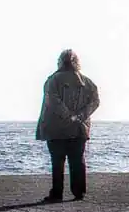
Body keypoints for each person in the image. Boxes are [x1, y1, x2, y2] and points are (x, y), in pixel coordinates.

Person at [35, 50, 100, 202]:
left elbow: (52, 101)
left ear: (60, 62)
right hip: (79, 129)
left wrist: (69, 116)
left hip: (56, 129)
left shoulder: (53, 80)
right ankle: (79, 193)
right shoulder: (87, 82)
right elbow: (95, 102)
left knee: (57, 162)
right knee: (77, 161)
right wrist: (80, 116)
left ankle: (57, 194)